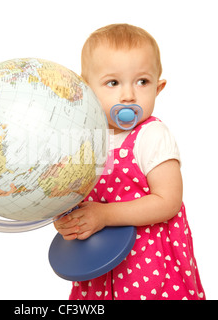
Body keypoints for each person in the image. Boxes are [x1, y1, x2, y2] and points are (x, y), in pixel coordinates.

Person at [54, 23, 205, 300]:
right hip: (98, 266)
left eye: (142, 82)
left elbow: (168, 201)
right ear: (86, 89)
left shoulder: (152, 135)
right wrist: (70, 220)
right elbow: (76, 196)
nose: (128, 95)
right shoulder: (85, 140)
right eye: (113, 82)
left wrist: (104, 215)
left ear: (158, 87)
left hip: (149, 263)